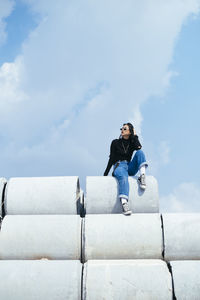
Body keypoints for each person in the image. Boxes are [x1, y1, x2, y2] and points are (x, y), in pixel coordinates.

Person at [104, 123, 148, 215]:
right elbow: (111, 158)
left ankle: (142, 176)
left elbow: (138, 147)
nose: (122, 130)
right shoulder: (115, 142)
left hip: (129, 166)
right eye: (122, 129)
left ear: (129, 131)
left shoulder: (132, 143)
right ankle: (124, 203)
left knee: (140, 152)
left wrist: (135, 136)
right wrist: (105, 174)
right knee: (124, 178)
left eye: (125, 129)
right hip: (119, 166)